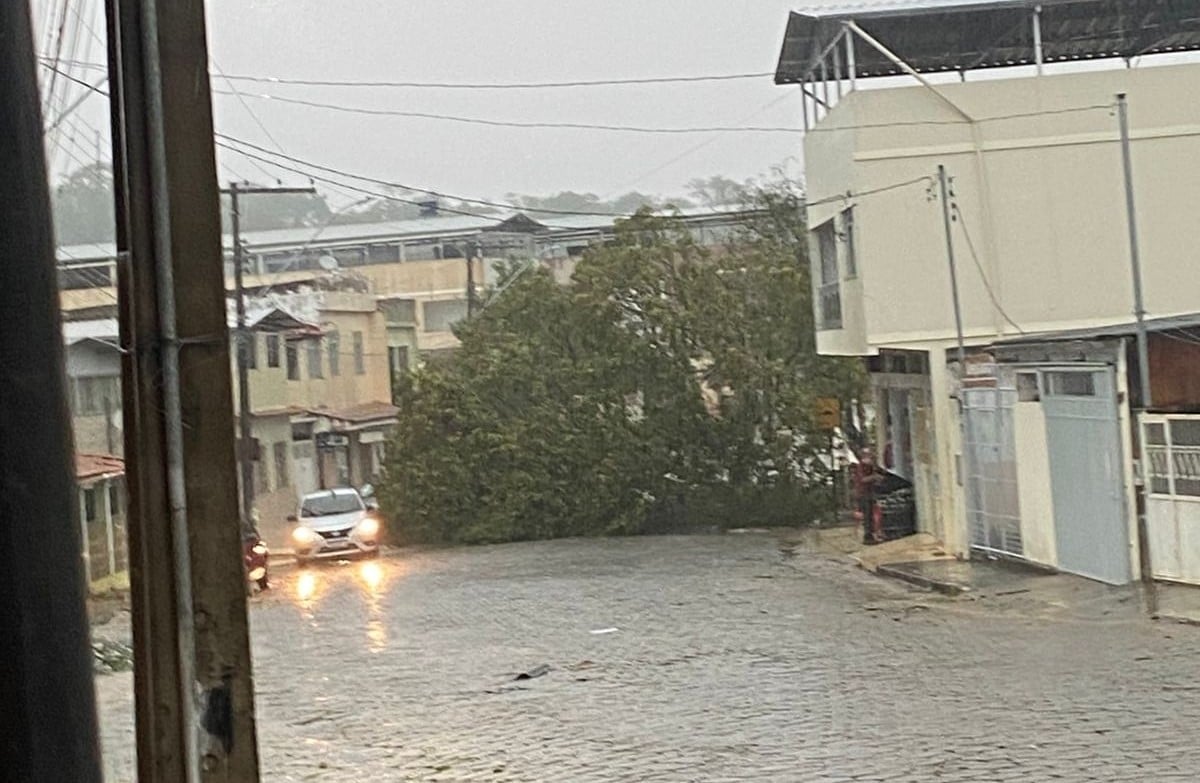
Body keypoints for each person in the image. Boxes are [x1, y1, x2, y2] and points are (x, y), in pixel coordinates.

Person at [852, 447, 884, 544]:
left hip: (869, 493)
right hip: (863, 493)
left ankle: (872, 534)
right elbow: (863, 479)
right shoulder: (861, 466)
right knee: (867, 515)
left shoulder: (870, 466)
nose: (871, 457)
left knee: (870, 515)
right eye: (869, 455)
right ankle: (868, 537)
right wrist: (874, 477)